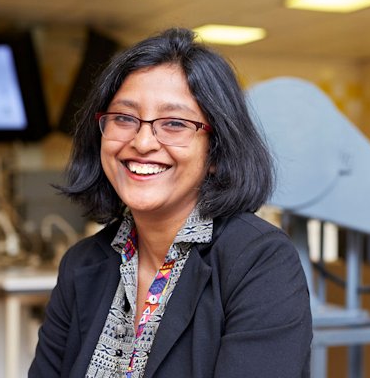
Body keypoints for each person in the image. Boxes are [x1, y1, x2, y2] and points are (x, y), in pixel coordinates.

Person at [29, 27, 312, 378]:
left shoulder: (260, 262)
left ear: (216, 152)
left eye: (174, 123)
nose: (143, 141)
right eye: (124, 118)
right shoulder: (80, 265)